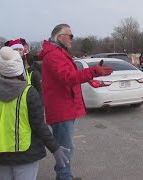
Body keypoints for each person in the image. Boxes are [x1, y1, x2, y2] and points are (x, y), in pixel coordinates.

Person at [38, 23, 113, 180]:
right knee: (65, 149)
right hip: (61, 110)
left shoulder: (59, 53)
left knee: (67, 148)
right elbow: (68, 78)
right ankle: (64, 177)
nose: (72, 39)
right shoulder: (53, 55)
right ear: (60, 37)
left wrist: (92, 71)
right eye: (70, 36)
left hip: (65, 108)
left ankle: (65, 176)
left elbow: (70, 76)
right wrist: (93, 71)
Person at [0, 47, 69, 180]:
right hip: (26, 154)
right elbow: (39, 126)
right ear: (19, 68)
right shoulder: (28, 93)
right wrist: (55, 148)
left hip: (0, 155)